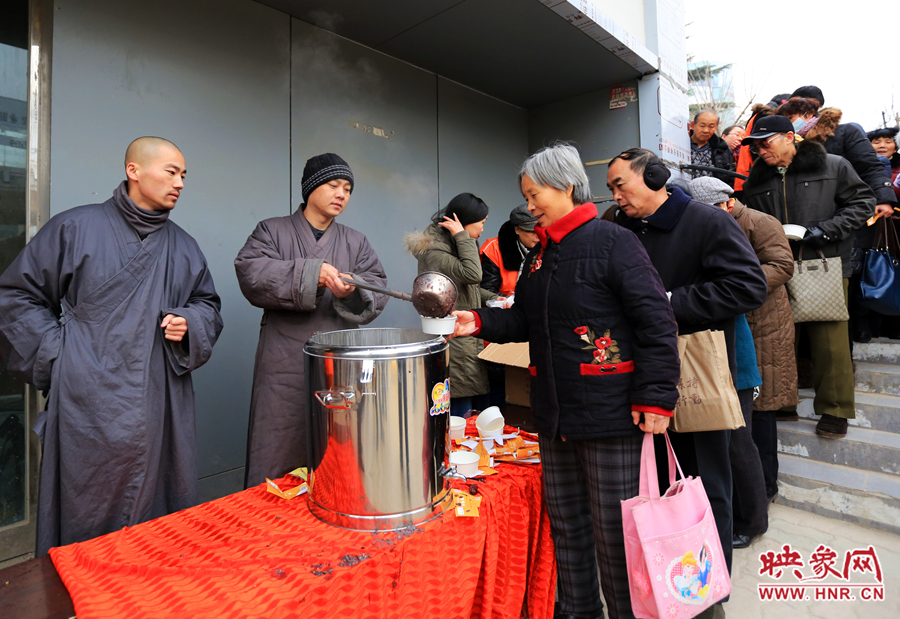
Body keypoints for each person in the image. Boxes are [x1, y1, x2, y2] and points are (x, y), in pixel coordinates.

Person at [452, 143, 680, 619]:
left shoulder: (613, 241)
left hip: (611, 415)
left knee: (617, 539)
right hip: (555, 417)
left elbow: (656, 320)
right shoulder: (542, 255)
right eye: (527, 196)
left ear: (568, 187)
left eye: (535, 194)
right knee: (569, 531)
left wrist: (657, 396)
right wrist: (475, 321)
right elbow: (526, 322)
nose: (530, 205)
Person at [0, 137, 224, 555]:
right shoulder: (74, 227)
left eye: (183, 176)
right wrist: (60, 354)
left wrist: (190, 322)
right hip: (88, 400)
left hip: (159, 398)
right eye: (171, 172)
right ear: (134, 170)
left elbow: (207, 304)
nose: (180, 183)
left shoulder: (184, 245)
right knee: (86, 505)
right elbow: (16, 298)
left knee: (156, 509)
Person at [609, 149, 768, 602]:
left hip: (696, 368)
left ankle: (709, 592)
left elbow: (748, 285)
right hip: (637, 374)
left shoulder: (706, 222)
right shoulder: (619, 228)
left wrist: (669, 301)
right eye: (611, 189)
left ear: (656, 177)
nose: (616, 196)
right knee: (655, 484)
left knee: (705, 482)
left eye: (622, 184)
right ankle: (666, 583)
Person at [235, 153, 387, 487]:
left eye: (348, 188)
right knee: (277, 441)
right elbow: (251, 272)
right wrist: (310, 273)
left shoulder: (355, 241)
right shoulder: (272, 230)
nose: (342, 194)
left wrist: (351, 290)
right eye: (334, 185)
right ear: (311, 187)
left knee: (338, 446)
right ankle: (269, 523)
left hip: (338, 360)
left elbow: (377, 285)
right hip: (283, 359)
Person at [742, 115, 875, 438]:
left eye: (766, 142)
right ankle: (782, 402)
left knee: (829, 340)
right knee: (776, 337)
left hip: (824, 260)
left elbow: (863, 203)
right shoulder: (755, 179)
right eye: (755, 145)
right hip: (775, 265)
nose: (760, 150)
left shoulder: (833, 165)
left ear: (790, 137)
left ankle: (835, 409)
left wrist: (824, 231)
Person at [690, 176, 796, 544]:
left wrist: (730, 288)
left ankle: (753, 520)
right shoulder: (707, 231)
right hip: (723, 346)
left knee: (741, 440)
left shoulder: (758, 223)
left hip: (746, 340)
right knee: (732, 442)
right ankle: (740, 514)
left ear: (725, 203)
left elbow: (781, 266)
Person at [405, 193, 496, 417]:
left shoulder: (452, 243)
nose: (483, 230)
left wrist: (494, 299)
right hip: (454, 343)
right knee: (460, 415)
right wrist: (464, 237)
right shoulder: (435, 250)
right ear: (463, 223)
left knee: (472, 413)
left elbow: (467, 288)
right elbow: (473, 274)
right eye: (482, 223)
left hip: (464, 340)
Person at [480, 203, 539, 296]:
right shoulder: (494, 248)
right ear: (517, 229)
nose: (538, 236)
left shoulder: (553, 247)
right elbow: (487, 290)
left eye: (541, 230)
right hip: (504, 307)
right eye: (532, 232)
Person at [688, 110, 737, 186]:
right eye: (702, 126)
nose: (706, 130)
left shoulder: (723, 149)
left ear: (716, 127)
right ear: (693, 125)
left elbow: (731, 177)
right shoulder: (680, 144)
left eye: (711, 126)